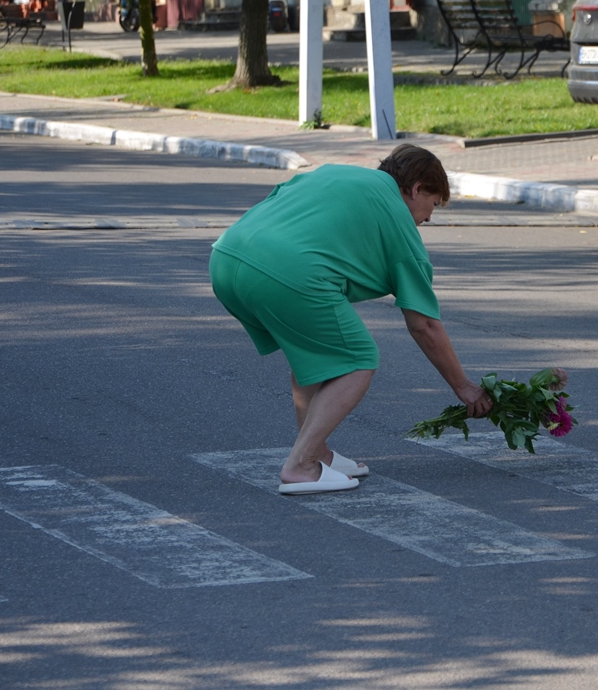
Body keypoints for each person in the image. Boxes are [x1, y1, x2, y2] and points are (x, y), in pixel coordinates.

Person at [209, 144, 493, 495]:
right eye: (433, 205)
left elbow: (278, 204)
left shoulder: (334, 171)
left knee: (314, 358)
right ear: (418, 188)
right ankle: (301, 465)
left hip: (225, 258)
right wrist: (463, 386)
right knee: (357, 359)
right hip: (289, 273)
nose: (429, 218)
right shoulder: (401, 227)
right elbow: (425, 325)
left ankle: (317, 452)